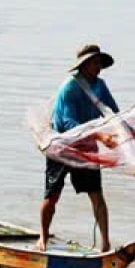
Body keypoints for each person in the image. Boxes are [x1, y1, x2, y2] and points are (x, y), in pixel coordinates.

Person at [39, 44, 120, 253]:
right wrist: (99, 135)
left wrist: (126, 132)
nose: (98, 67)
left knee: (96, 195)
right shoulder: (70, 87)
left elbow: (112, 112)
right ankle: (43, 237)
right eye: (94, 62)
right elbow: (69, 124)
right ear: (83, 65)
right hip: (62, 146)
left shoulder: (100, 86)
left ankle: (106, 244)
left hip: (87, 147)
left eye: (100, 62)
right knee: (52, 196)